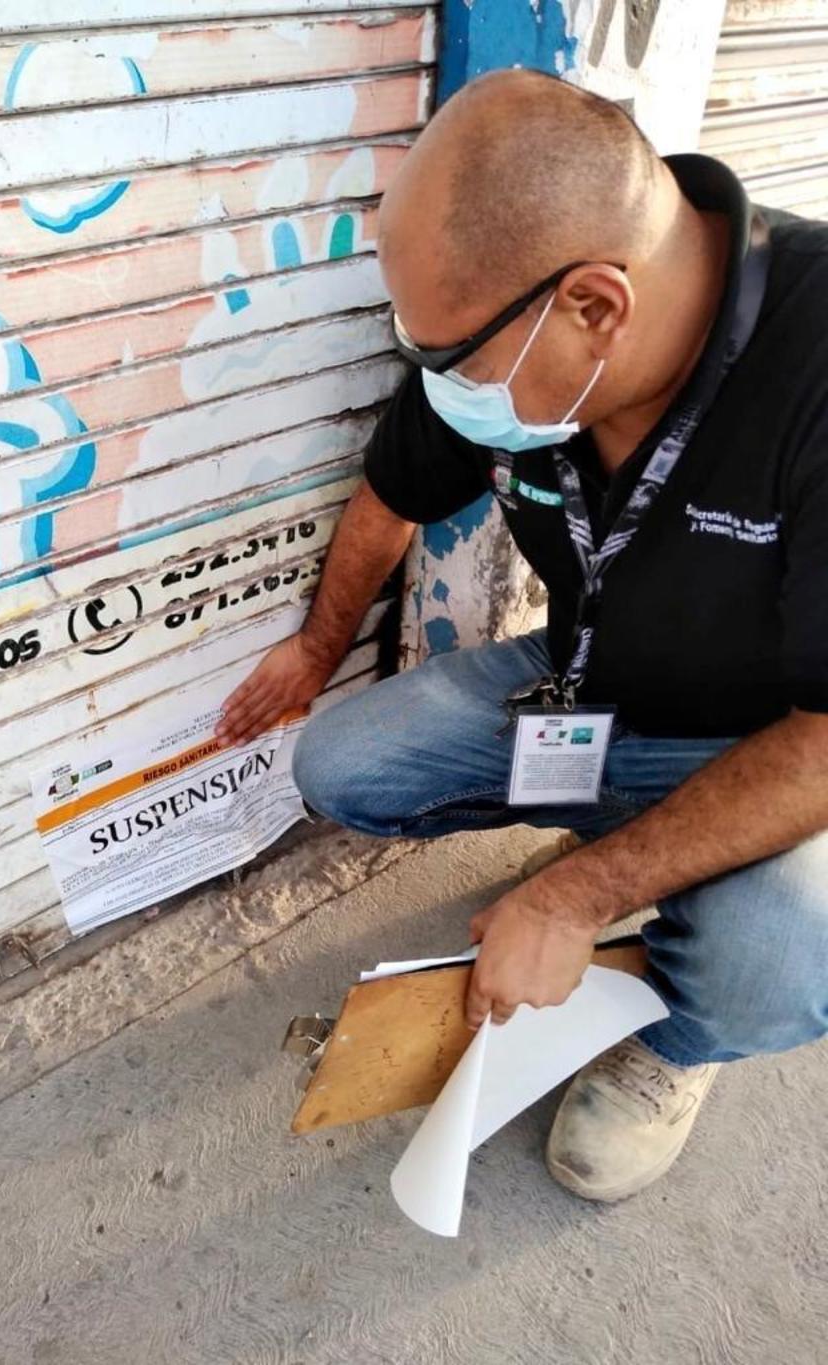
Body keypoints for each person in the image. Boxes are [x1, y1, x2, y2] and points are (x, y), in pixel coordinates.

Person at [216, 70, 828, 1202]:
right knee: (344, 763)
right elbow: (392, 493)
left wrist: (575, 896)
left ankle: (675, 1038)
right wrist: (313, 649)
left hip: (783, 746)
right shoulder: (515, 333)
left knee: (774, 963)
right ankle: (635, 842)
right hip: (591, 684)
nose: (436, 383)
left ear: (596, 306)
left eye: (450, 360)